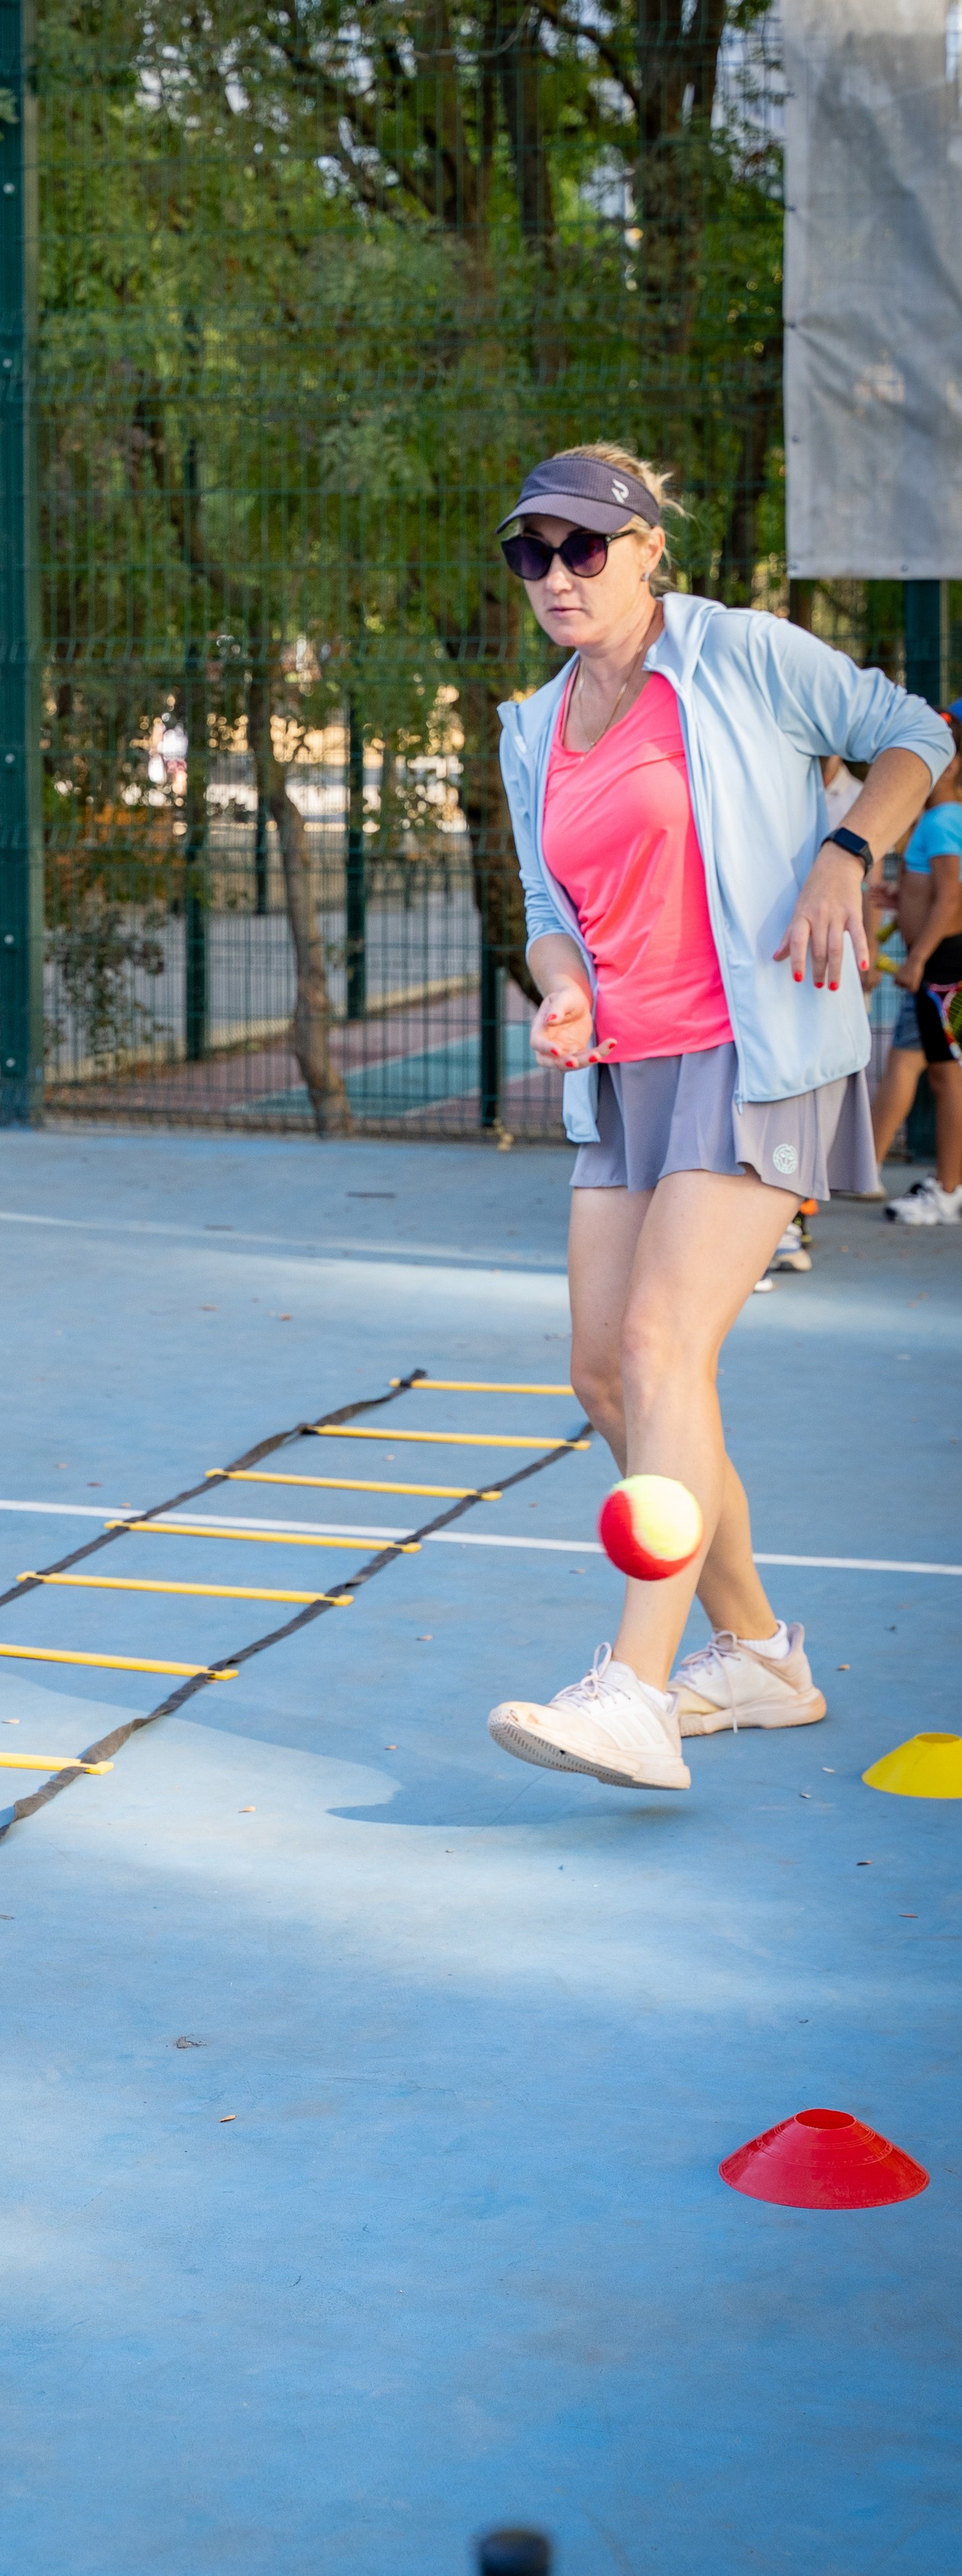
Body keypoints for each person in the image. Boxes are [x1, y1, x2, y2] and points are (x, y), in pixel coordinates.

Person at [483, 444, 949, 1791]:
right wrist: (562, 992)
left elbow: (917, 733)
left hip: (756, 1054)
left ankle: (635, 1686)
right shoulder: (533, 726)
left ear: (644, 552)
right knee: (608, 1377)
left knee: (661, 1342)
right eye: (533, 553)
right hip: (626, 1074)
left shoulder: (738, 654)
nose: (557, 576)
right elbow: (550, 917)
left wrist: (844, 854)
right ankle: (755, 1653)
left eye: (583, 548)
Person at [868, 706, 962, 1223]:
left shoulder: (945, 818)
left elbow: (950, 898)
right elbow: (937, 893)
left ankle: (948, 1191)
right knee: (940, 1074)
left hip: (943, 965)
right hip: (939, 965)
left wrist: (918, 959)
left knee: (949, 1081)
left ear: (947, 765)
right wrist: (901, 900)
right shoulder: (940, 819)